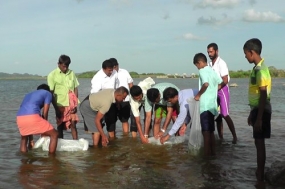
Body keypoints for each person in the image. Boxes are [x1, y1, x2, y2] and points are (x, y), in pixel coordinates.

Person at [243, 38, 271, 187]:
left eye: (246, 54)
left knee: (260, 144)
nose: (245, 57)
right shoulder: (256, 69)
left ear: (252, 52)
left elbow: (262, 94)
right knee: (257, 142)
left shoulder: (261, 70)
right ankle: (260, 172)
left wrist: (259, 118)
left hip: (262, 111)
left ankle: (260, 177)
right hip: (257, 110)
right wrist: (251, 113)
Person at [207, 43, 237, 144]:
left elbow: (225, 79)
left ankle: (235, 137)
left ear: (216, 51)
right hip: (214, 91)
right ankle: (221, 138)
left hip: (222, 90)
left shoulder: (221, 63)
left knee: (224, 114)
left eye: (211, 52)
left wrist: (218, 87)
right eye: (208, 52)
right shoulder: (209, 64)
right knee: (217, 115)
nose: (209, 54)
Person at [193, 53, 222, 156]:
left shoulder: (202, 71)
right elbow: (220, 82)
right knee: (211, 132)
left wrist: (198, 95)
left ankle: (206, 157)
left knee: (205, 132)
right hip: (212, 106)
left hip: (205, 106)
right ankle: (213, 154)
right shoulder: (212, 71)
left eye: (197, 65)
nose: (197, 68)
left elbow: (205, 84)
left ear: (200, 63)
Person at [16, 84, 58, 154]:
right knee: (55, 134)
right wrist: (44, 131)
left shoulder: (28, 95)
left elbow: (24, 109)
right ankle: (52, 159)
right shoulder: (48, 93)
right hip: (32, 116)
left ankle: (23, 161)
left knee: (24, 139)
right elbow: (45, 112)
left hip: (20, 117)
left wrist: (31, 140)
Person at [47, 55, 79, 140]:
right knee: (60, 125)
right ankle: (60, 143)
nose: (65, 68)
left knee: (73, 124)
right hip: (60, 104)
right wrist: (56, 109)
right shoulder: (52, 75)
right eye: (64, 66)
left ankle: (76, 142)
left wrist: (75, 105)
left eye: (67, 66)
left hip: (71, 104)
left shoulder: (71, 73)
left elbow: (75, 88)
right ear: (59, 64)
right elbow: (51, 93)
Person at [90, 59, 119, 138]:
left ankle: (112, 141)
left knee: (112, 123)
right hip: (101, 103)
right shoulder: (97, 78)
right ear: (103, 69)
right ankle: (100, 141)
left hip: (112, 101)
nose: (111, 72)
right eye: (109, 70)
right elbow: (94, 93)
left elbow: (116, 86)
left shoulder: (115, 73)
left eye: (112, 70)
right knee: (99, 123)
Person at [111, 58, 134, 136]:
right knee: (112, 120)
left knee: (125, 120)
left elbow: (130, 84)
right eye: (113, 67)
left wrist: (132, 95)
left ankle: (126, 137)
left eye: (115, 66)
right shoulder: (109, 74)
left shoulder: (124, 72)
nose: (114, 68)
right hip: (113, 100)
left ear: (117, 65)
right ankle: (112, 136)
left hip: (125, 100)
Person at [129, 77, 155, 143]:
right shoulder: (132, 100)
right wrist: (141, 136)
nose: (138, 99)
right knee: (134, 120)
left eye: (139, 97)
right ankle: (134, 140)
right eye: (136, 98)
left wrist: (145, 136)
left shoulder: (146, 93)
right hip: (136, 104)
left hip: (147, 99)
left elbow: (148, 117)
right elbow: (138, 120)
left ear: (141, 94)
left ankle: (147, 136)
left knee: (148, 118)